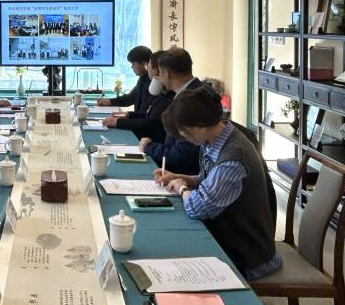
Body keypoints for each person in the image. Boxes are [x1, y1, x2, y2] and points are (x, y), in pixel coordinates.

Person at [154, 87, 281, 281]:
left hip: (247, 256)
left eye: (186, 132)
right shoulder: (214, 139)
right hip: (232, 241)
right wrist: (178, 177)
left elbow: (197, 208)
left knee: (172, 263)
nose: (184, 137)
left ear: (201, 125)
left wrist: (182, 188)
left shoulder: (234, 158)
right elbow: (208, 181)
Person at [138, 47, 202, 175]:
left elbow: (182, 155)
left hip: (180, 174)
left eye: (160, 73)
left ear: (167, 74)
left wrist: (149, 147)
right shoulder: (192, 91)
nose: (158, 78)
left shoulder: (191, 101)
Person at [103, 50, 174, 143]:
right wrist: (127, 114)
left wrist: (118, 122)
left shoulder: (160, 90)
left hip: (150, 140)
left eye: (133, 64)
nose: (131, 67)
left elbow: (149, 122)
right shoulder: (145, 81)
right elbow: (144, 113)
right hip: (145, 136)